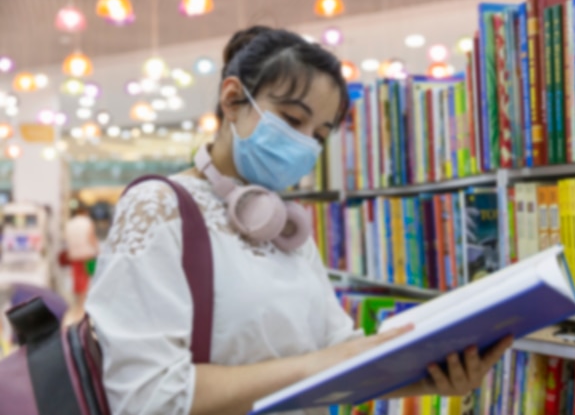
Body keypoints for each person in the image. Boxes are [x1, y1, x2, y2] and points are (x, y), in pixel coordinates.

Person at [86, 26, 512, 415]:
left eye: (319, 135)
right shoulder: (158, 207)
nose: (305, 145)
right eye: (292, 120)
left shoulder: (285, 226)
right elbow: (148, 397)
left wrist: (424, 376)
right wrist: (318, 364)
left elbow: (337, 353)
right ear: (232, 99)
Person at [65, 205, 99, 320]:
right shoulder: (87, 222)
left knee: (76, 278)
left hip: (74, 255)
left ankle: (77, 303)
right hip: (87, 254)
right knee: (86, 277)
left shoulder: (69, 224)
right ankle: (83, 303)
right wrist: (97, 249)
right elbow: (91, 237)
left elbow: (67, 239)